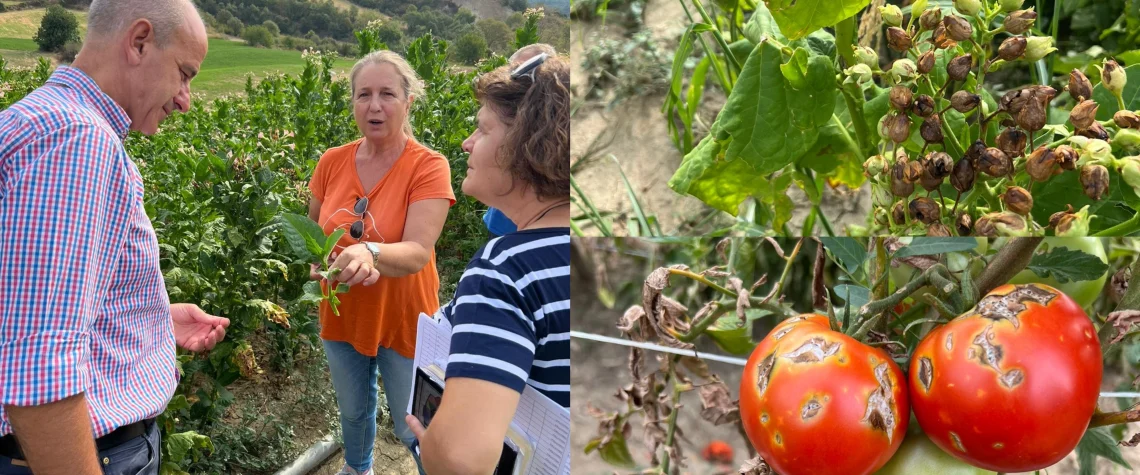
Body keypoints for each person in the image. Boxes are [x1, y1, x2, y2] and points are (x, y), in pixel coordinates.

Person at [0, 1, 230, 474]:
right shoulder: (77, 140)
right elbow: (39, 367)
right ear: (139, 41)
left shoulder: (40, 121)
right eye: (185, 74)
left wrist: (152, 320)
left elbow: (22, 309)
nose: (186, 98)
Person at [406, 53, 571, 474]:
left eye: (483, 129)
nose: (467, 142)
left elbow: (463, 459)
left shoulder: (506, 269)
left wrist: (433, 447)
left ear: (526, 144)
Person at [307, 49, 455, 475]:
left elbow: (416, 252)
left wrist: (368, 251)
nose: (374, 106)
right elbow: (315, 232)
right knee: (353, 412)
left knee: (415, 427)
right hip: (343, 314)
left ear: (408, 101)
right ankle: (357, 469)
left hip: (404, 317)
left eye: (387, 93)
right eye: (363, 94)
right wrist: (316, 265)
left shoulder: (428, 166)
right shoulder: (331, 161)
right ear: (352, 103)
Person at [481, 42, 558, 238]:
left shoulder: (553, 125)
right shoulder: (503, 113)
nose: (517, 82)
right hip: (501, 222)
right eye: (514, 71)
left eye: (528, 72)